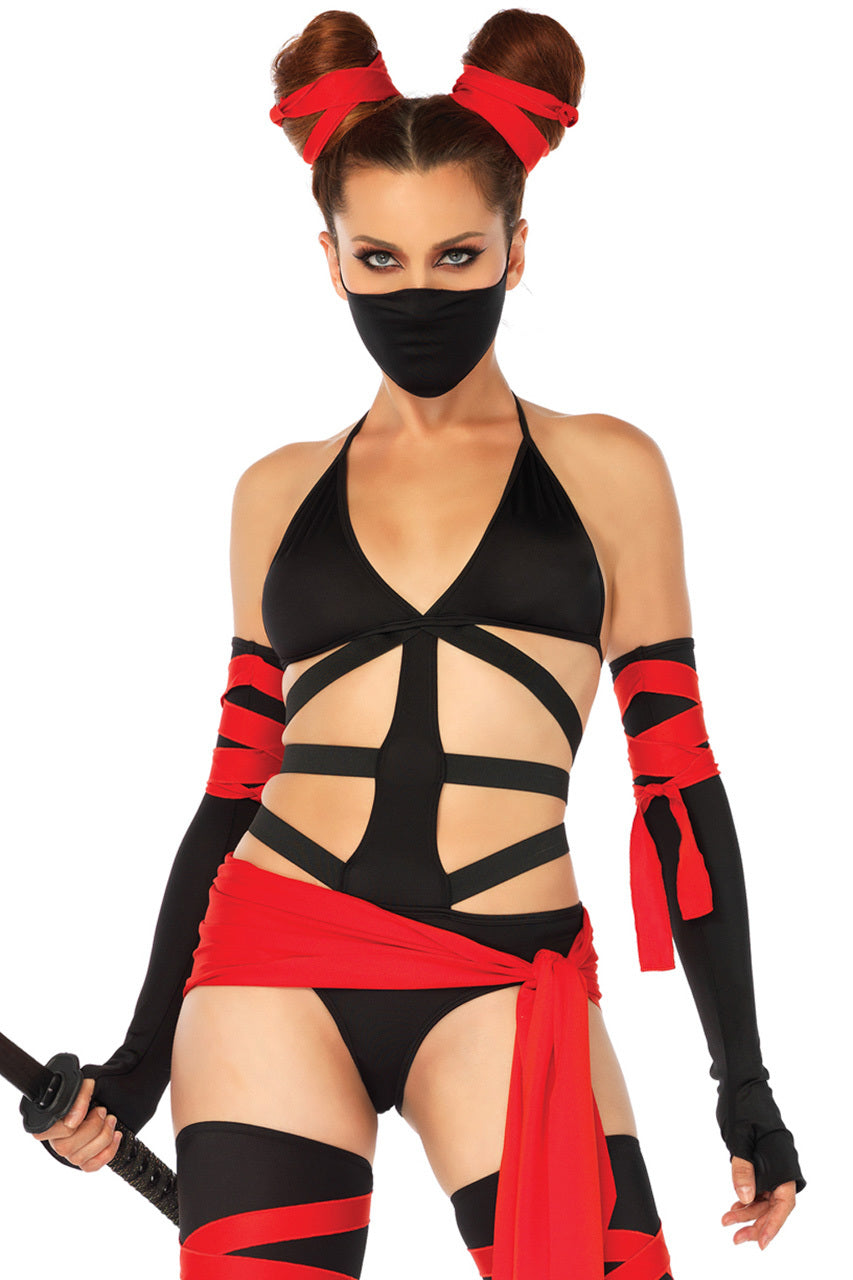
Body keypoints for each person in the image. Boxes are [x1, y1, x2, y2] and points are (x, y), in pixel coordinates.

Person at [30, 9, 805, 1277]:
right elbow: (232, 789)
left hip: (507, 967)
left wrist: (745, 1081)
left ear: (515, 248)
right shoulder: (274, 491)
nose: (420, 292)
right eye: (379, 258)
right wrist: (135, 1059)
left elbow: (676, 782)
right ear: (330, 261)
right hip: (270, 957)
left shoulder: (608, 468)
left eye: (458, 254)